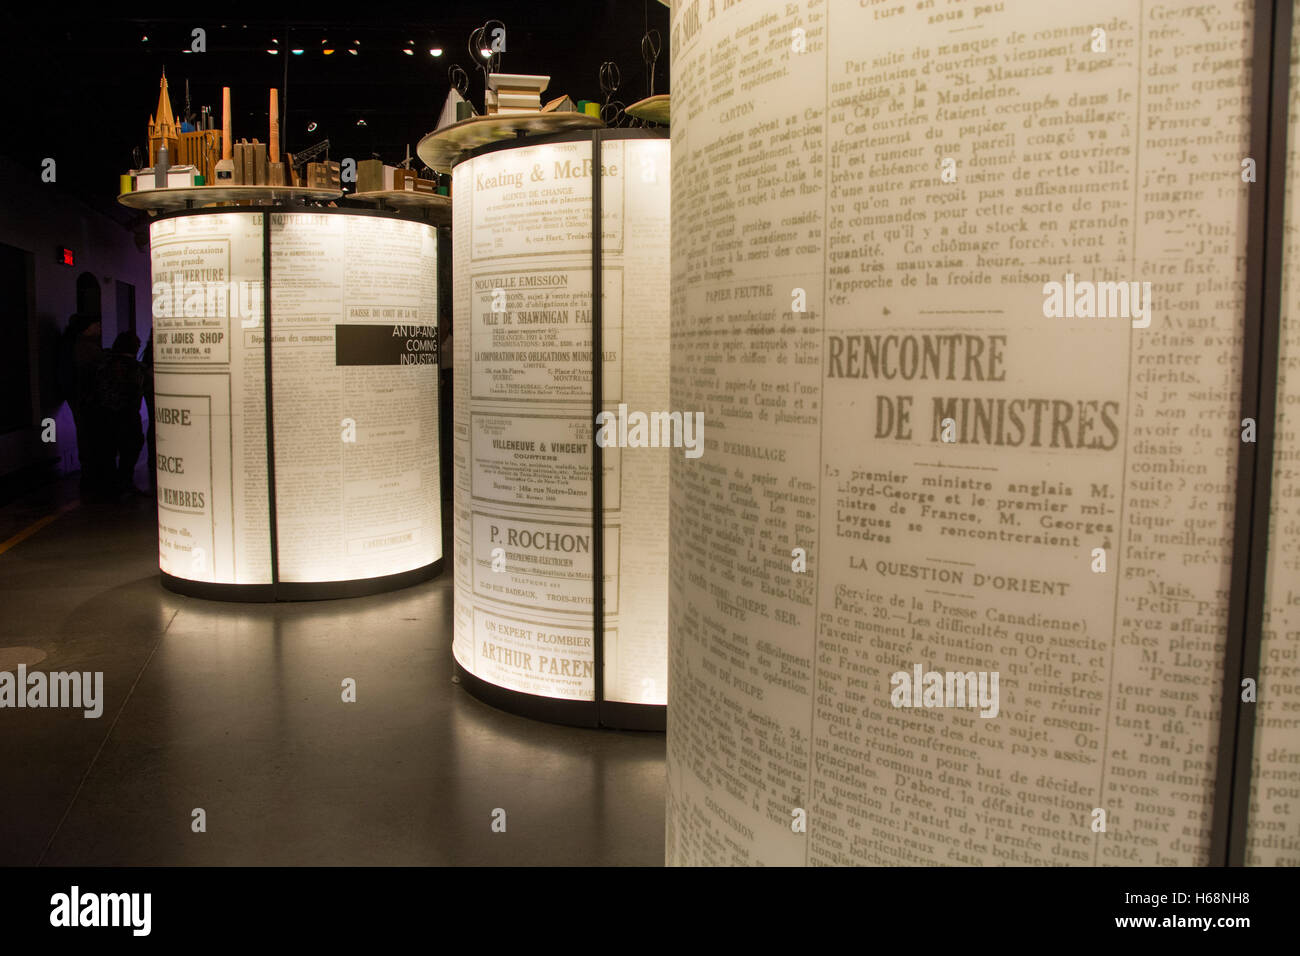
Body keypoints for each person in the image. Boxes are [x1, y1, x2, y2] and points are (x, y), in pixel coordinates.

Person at [57, 313, 112, 500]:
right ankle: (93, 476)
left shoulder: (72, 345)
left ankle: (89, 474)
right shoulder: (86, 348)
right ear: (87, 328)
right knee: (91, 436)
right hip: (88, 400)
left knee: (85, 435)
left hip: (78, 399)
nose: (99, 329)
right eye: (97, 325)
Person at [100, 331, 146, 495]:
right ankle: (124, 482)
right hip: (128, 414)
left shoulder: (104, 364)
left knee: (109, 449)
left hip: (104, 414)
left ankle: (110, 485)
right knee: (131, 447)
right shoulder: (136, 368)